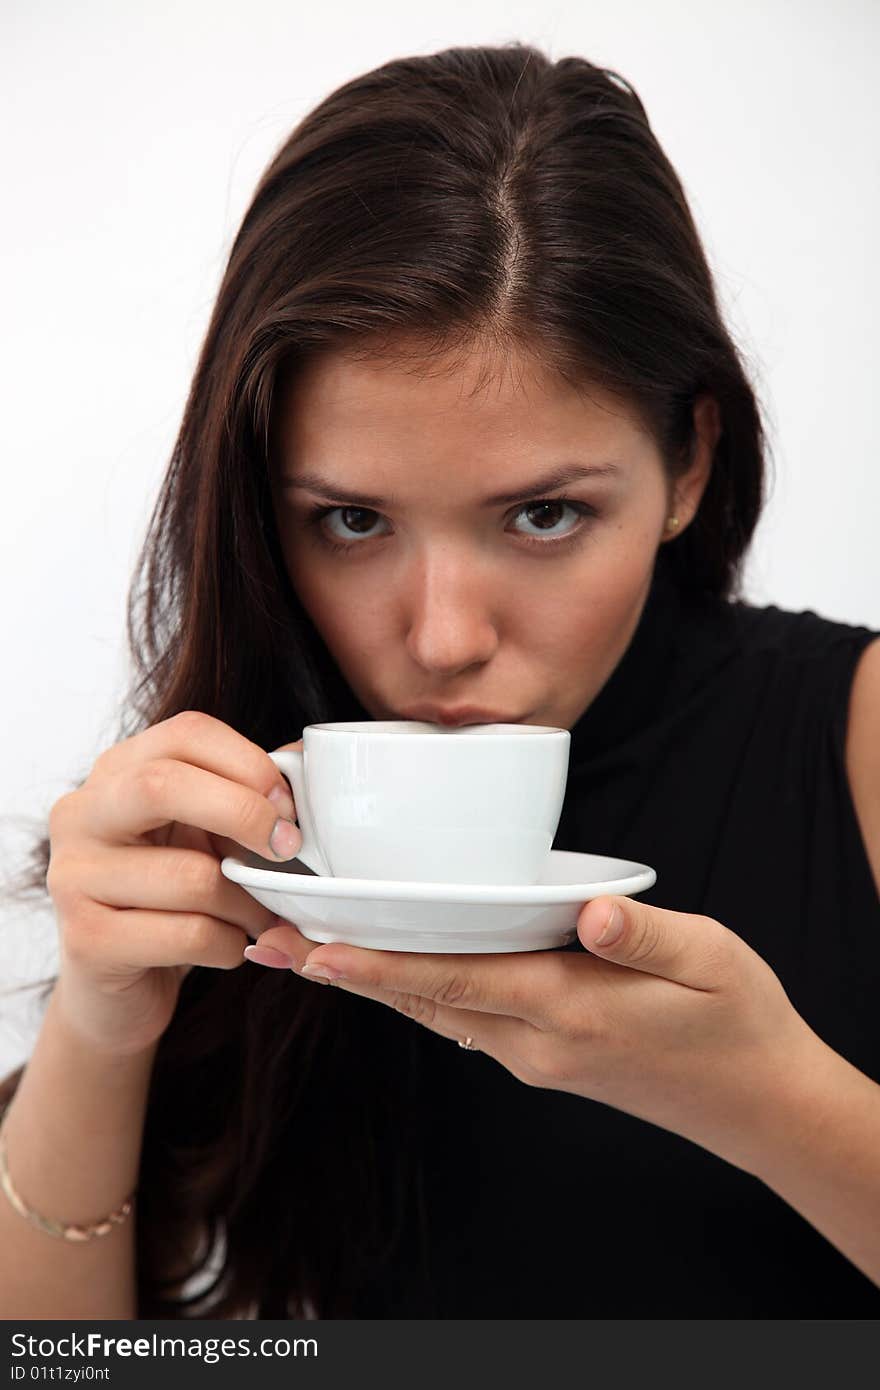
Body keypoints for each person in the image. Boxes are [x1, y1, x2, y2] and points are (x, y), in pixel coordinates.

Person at [1, 41, 878, 1321]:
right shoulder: (239, 817)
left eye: (541, 515)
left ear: (689, 463)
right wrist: (100, 1022)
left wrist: (765, 1096)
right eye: (352, 522)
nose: (445, 637)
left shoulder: (852, 742)